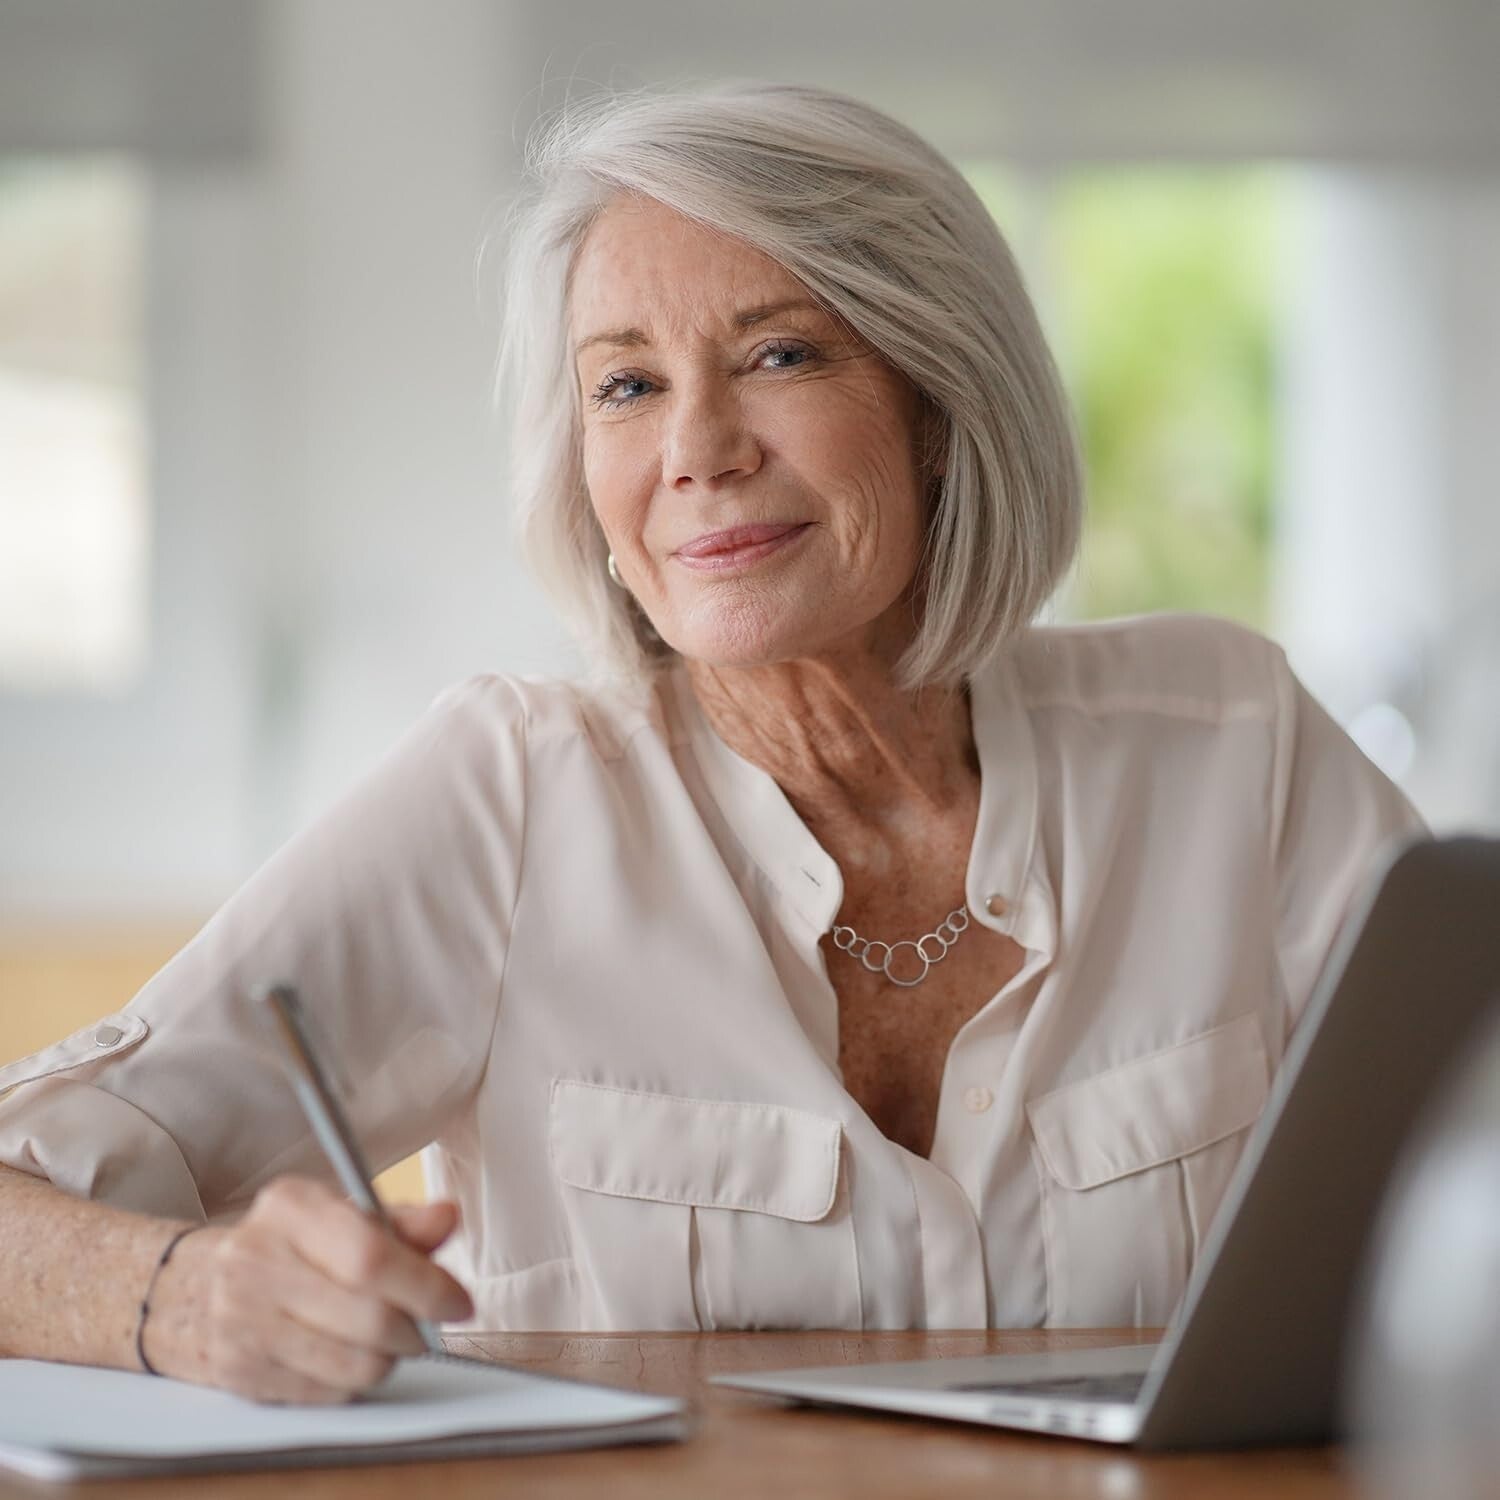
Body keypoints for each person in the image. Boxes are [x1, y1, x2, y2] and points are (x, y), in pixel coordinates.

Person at [0, 82, 1421, 1404]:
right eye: (626, 386)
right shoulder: (510, 796)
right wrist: (185, 1300)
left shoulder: (1236, 747)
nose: (698, 447)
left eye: (778, 353)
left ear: (936, 406)